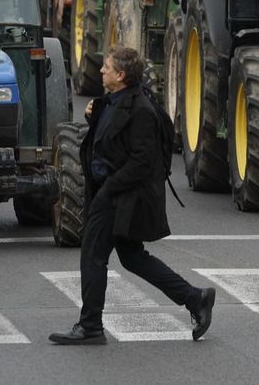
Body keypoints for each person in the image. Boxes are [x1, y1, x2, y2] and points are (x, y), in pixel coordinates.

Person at [49, 46, 216, 346]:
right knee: (133, 257)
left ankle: (90, 327)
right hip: (112, 192)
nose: (101, 71)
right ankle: (195, 298)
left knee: (93, 256)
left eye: (107, 68)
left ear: (121, 75)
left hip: (118, 196)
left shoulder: (141, 110)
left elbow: (142, 161)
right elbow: (112, 143)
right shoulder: (116, 101)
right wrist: (95, 117)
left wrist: (109, 189)